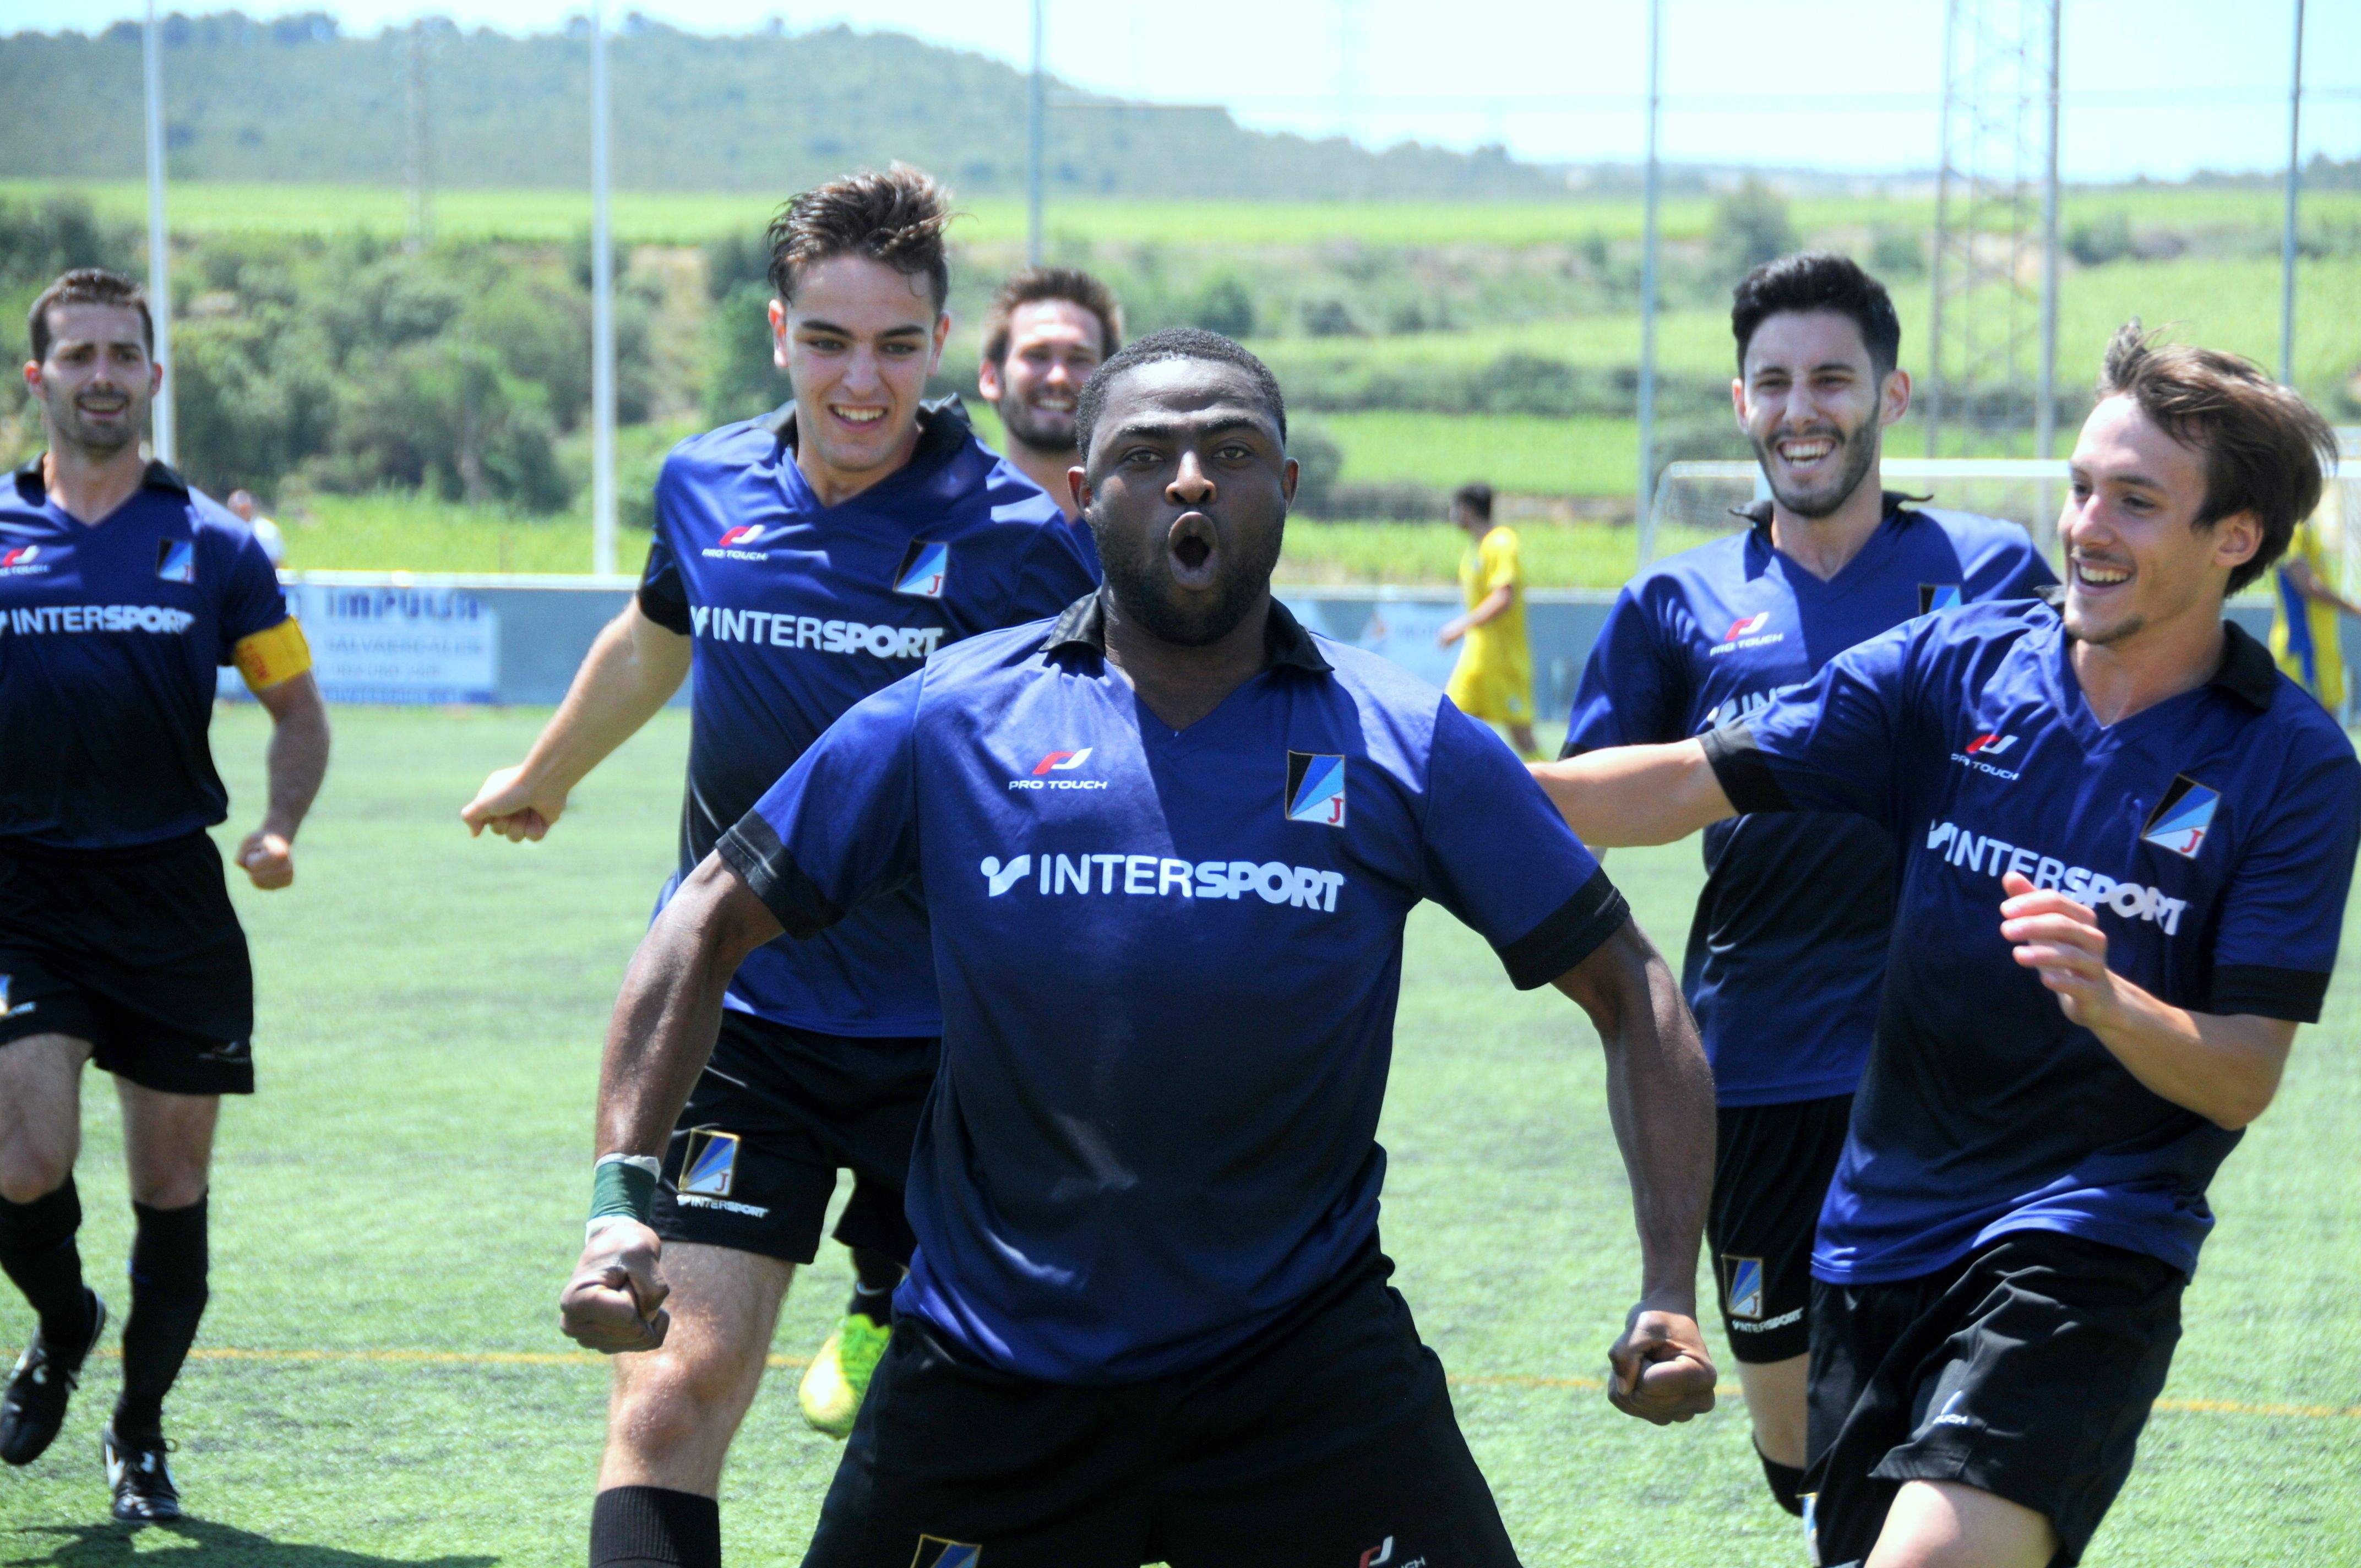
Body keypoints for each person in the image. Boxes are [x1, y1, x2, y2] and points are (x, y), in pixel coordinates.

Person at [557, 328, 1721, 1566]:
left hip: (1303, 1369)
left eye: (1231, 449)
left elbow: (1627, 982)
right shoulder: (952, 713)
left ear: (1286, 484)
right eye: (1144, 454)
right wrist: (622, 1200)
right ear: (1078, 493)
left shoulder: (1404, 739)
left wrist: (1664, 1287)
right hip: (993, 1365)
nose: (1188, 480)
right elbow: (709, 912)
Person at [1528, 325, 2357, 1568]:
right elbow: (1681, 780)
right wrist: (1420, 790)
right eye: (2080, 487)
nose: (2085, 525)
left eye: (2135, 501)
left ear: (2232, 536)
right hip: (1876, 1234)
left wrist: (2108, 998)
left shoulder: (2289, 765)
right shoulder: (1957, 665)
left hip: (2087, 1240)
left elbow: (2243, 1068)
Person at [459, 167, 1098, 1568]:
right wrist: (548, 772)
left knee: (968, 1443)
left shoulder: (1022, 544)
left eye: (892, 344)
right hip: (746, 1021)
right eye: (827, 339)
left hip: (959, 1044)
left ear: (940, 346)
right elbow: (653, 632)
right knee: (672, 1388)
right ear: (777, 331)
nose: (858, 379)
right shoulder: (705, 483)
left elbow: (1103, 757)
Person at [1560, 252, 2053, 1520]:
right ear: (1739, 402)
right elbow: (1578, 822)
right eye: (1773, 381)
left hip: (1948, 1069)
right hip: (1758, 1068)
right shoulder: (1672, 601)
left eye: (1831, 376)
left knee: (1949, 1443)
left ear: (1890, 396)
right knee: (1807, 1463)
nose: (1801, 407)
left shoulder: (1996, 574)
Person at [0, 269, 330, 1522]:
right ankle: (62, 1314)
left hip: (170, 900)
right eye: (76, 352)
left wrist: (280, 821)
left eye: (121, 353)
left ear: (152, 375)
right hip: (21, 888)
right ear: (39, 377)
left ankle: (138, 1428)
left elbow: (295, 707)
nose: (100, 373)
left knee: (169, 1190)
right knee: (21, 1159)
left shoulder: (219, 546)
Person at [975, 265, 1122, 522]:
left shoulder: (1142, 534)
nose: (1058, 376)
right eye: (1037, 356)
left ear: (1112, 382)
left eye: (1079, 359)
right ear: (991, 378)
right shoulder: (950, 531)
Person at [1438, 482, 1542, 759]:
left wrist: (1460, 626)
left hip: (1504, 660)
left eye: (1455, 508)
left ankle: (1559, 798)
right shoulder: (1475, 551)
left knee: (1523, 739)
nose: (1452, 514)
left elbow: (1503, 596)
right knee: (1449, 725)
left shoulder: (1501, 542)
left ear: (1467, 510)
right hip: (1477, 659)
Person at [2267, 507, 2360, 714]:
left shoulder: (2309, 525)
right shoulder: (2291, 527)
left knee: (2328, 732)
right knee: (2314, 735)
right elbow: (2306, 585)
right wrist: (2356, 609)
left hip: (2321, 650)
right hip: (2303, 649)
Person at [224, 489, 286, 569]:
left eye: (245, 508)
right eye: (237, 508)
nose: (243, 510)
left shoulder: (267, 530)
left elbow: (275, 560)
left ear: (250, 507)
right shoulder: (225, 530)